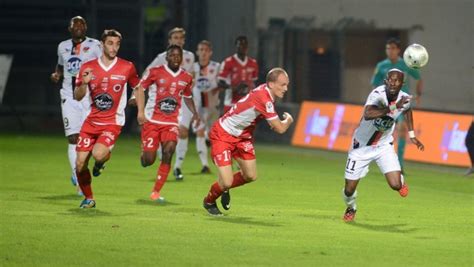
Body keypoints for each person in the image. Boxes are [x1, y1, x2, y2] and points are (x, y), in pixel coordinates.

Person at [202, 68, 294, 216]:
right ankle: (209, 200)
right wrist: (288, 120)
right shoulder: (264, 98)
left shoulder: (266, 93)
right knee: (226, 181)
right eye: (282, 85)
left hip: (243, 137)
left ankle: (224, 186)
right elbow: (280, 128)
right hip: (223, 134)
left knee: (250, 175)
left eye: (287, 85)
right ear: (271, 84)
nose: (286, 89)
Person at [342, 69, 425, 222]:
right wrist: (394, 107)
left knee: (395, 185)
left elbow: (407, 111)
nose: (393, 83)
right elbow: (368, 113)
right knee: (349, 189)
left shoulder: (404, 99)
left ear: (402, 83)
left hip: (383, 146)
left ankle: (400, 181)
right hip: (360, 147)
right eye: (390, 80)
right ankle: (351, 207)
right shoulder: (377, 94)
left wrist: (412, 136)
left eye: (397, 81)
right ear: (386, 81)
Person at [73, 29, 140, 208]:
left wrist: (138, 107)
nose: (114, 47)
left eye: (117, 44)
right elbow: (78, 95)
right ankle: (89, 198)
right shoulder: (88, 67)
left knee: (98, 154)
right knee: (79, 164)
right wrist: (84, 84)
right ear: (102, 45)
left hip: (112, 122)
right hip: (91, 121)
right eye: (110, 43)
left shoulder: (127, 67)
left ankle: (101, 162)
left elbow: (138, 86)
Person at [135, 45, 199, 202]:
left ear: (182, 58)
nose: (175, 58)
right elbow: (140, 88)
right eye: (172, 55)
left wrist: (195, 113)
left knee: (169, 151)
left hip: (171, 122)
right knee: (148, 161)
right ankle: (144, 152)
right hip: (152, 121)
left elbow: (188, 97)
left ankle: (156, 192)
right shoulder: (155, 72)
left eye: (178, 56)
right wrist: (140, 111)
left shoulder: (186, 77)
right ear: (167, 57)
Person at [50, 16, 102, 193]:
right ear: (69, 28)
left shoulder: (96, 45)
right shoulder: (62, 46)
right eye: (75, 24)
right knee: (73, 137)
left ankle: (96, 162)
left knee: (91, 138)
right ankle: (78, 176)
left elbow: (103, 65)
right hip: (69, 97)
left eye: (81, 24)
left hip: (89, 97)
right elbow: (59, 66)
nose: (78, 27)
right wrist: (56, 75)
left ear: (86, 27)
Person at [371, 38, 423, 172]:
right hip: (386, 104)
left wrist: (419, 95)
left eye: (393, 48)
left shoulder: (406, 64)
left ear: (398, 50)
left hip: (402, 104)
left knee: (401, 131)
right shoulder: (381, 66)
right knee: (379, 133)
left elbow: (418, 78)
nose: (390, 51)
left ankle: (398, 164)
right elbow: (374, 83)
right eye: (388, 48)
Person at [173, 40, 221, 178]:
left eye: (206, 50)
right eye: (201, 49)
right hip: (189, 104)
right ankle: (177, 167)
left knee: (205, 133)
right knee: (184, 131)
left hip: (208, 107)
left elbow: (222, 83)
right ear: (197, 52)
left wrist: (216, 89)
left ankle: (205, 164)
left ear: (210, 52)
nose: (204, 52)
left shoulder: (216, 67)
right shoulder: (192, 67)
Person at [218, 35, 259, 114]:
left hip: (247, 104)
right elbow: (220, 83)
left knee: (248, 126)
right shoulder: (228, 62)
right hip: (231, 104)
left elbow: (255, 83)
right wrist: (234, 88)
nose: (242, 47)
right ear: (236, 46)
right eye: (240, 45)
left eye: (244, 45)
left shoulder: (253, 63)